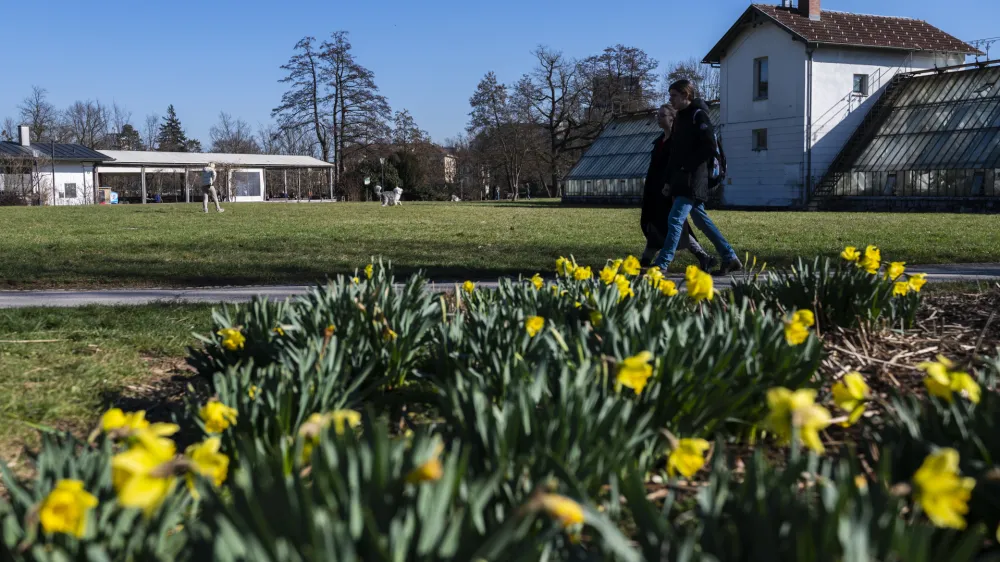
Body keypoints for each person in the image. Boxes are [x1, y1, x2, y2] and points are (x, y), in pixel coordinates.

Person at [653, 80, 741, 276]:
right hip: (682, 179)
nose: (670, 99)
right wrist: (668, 180)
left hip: (693, 180)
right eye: (670, 95)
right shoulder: (681, 119)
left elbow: (709, 147)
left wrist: (687, 166)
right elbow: (674, 154)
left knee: (675, 219)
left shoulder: (698, 115)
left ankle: (662, 263)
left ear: (686, 95)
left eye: (674, 95)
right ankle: (730, 257)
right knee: (701, 221)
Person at [640, 103, 717, 271]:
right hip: (655, 190)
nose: (658, 119)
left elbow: (677, 165)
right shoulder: (660, 141)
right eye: (658, 115)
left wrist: (671, 185)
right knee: (655, 223)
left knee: (673, 225)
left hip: (671, 188)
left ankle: (702, 256)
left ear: (672, 118)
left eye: (662, 115)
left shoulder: (677, 141)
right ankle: (646, 259)